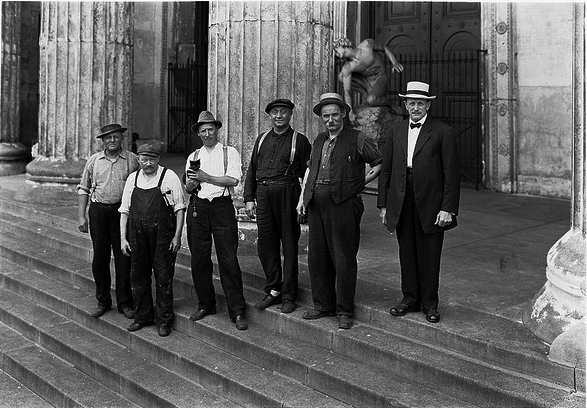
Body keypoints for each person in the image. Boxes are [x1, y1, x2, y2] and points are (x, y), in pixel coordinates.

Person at [296, 93, 383, 330]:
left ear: (343, 114)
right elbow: (310, 171)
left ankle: (345, 310)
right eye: (326, 116)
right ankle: (323, 305)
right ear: (321, 118)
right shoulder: (318, 141)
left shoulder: (357, 138)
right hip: (316, 205)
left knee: (343, 258)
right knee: (317, 257)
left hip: (344, 205)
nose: (330, 119)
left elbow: (379, 163)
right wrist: (303, 199)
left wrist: (360, 183)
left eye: (335, 114)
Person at [377, 81, 460, 324]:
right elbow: (387, 169)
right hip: (401, 197)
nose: (415, 107)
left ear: (428, 105)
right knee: (407, 251)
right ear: (405, 105)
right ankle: (409, 298)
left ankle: (430, 303)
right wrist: (383, 204)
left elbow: (451, 174)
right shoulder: (396, 130)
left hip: (431, 201)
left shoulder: (443, 131)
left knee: (430, 253)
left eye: (420, 103)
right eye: (411, 103)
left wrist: (448, 208)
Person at [244, 98, 311, 314]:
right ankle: (273, 289)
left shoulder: (299, 141)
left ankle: (289, 294)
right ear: (270, 116)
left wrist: (304, 202)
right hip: (263, 194)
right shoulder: (262, 139)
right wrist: (249, 198)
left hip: (287, 192)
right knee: (266, 244)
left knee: (290, 244)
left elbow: (308, 175)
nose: (279, 115)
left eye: (283, 112)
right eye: (274, 112)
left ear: (291, 115)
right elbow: (252, 170)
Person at [185, 111, 248, 330]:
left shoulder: (229, 152)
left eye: (211, 129)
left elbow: (233, 179)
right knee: (199, 259)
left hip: (222, 207)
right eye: (203, 130)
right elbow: (188, 185)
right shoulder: (193, 156)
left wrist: (206, 178)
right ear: (199, 133)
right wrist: (192, 184)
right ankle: (206, 304)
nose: (207, 133)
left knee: (228, 259)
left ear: (217, 130)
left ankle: (237, 310)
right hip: (198, 207)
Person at [119, 143, 186, 337]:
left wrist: (177, 235)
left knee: (163, 275)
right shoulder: (133, 179)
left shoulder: (169, 176)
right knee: (138, 275)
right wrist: (123, 238)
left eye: (152, 159)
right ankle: (142, 316)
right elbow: (124, 210)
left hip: (163, 235)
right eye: (144, 159)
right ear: (138, 160)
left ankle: (164, 320)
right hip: (137, 234)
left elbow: (179, 208)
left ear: (158, 159)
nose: (148, 163)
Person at [77, 123, 139, 320]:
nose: (112, 140)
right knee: (100, 258)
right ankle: (103, 301)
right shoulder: (94, 161)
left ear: (122, 138)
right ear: (102, 141)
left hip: (122, 214)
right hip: (99, 213)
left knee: (124, 258)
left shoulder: (132, 160)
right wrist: (81, 216)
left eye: (116, 137)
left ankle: (125, 303)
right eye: (108, 138)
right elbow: (83, 188)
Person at [334, 37, 404, 124]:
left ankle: (390, 104)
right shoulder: (348, 67)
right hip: (368, 82)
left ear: (343, 44)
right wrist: (350, 112)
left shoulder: (367, 45)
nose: (336, 54)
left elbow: (384, 47)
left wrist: (394, 62)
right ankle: (366, 93)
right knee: (342, 76)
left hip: (381, 76)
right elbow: (347, 91)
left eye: (336, 50)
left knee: (372, 100)